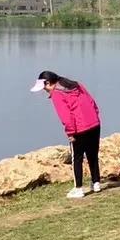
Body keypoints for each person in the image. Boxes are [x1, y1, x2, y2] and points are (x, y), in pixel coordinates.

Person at [30, 71, 102, 199]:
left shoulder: (57, 93)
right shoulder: (77, 85)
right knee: (92, 154)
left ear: (48, 83)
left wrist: (70, 133)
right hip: (94, 123)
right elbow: (92, 102)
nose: (45, 90)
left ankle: (78, 188)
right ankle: (96, 183)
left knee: (77, 158)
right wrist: (95, 117)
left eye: (44, 87)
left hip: (79, 129)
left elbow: (66, 116)